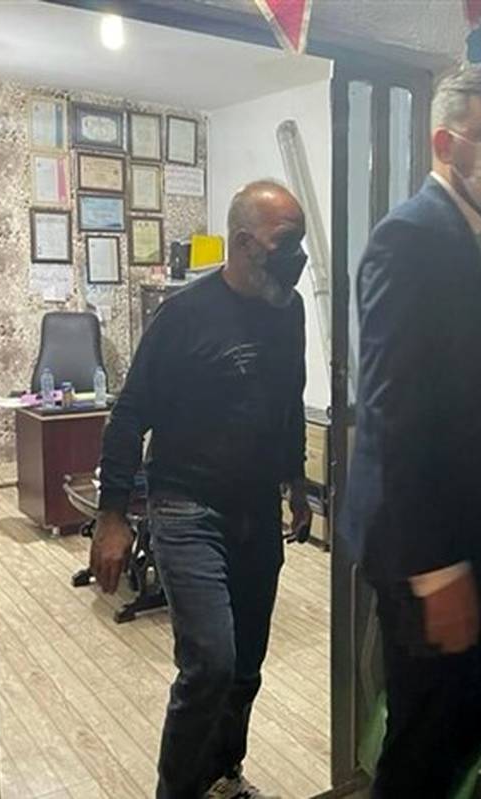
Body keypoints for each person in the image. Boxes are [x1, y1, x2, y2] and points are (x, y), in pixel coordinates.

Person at [342, 66, 481, 799]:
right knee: (429, 728)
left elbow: (469, 377)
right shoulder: (411, 238)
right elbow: (395, 409)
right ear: (443, 142)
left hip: (476, 529)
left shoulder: (471, 238)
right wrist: (436, 570)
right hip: (429, 542)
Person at [91, 180, 313, 799]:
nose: (297, 256)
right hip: (186, 508)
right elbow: (128, 416)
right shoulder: (185, 315)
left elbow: (289, 402)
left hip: (256, 510)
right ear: (243, 243)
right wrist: (112, 517)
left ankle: (222, 775)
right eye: (285, 242)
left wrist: (297, 483)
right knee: (210, 664)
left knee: (245, 669)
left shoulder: (289, 309)